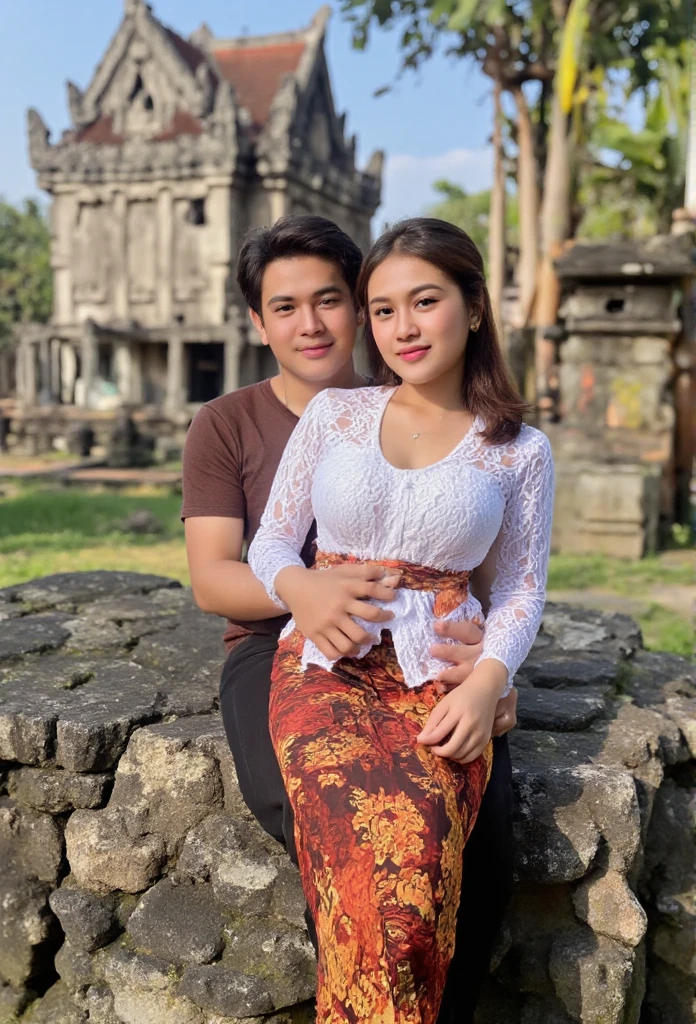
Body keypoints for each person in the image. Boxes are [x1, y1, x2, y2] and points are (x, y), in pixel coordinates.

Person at [182, 215, 518, 1022]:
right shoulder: (227, 425)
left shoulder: (458, 426)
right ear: (259, 323)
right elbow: (212, 578)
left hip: (422, 655)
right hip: (279, 648)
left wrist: (498, 672)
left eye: (331, 300)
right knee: (328, 818)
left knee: (488, 831)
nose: (312, 324)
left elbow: (499, 580)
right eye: (286, 307)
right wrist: (306, 590)